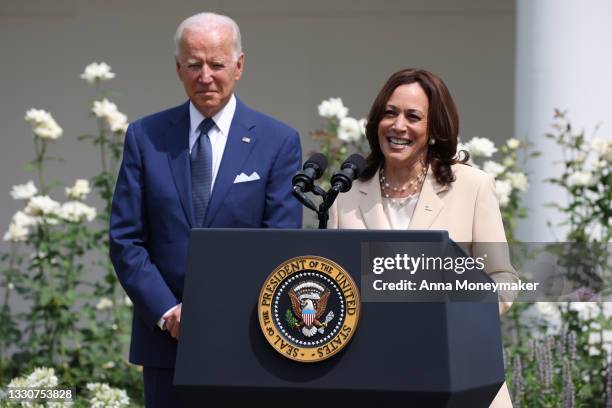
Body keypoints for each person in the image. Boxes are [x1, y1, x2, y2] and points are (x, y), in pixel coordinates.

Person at [109, 12, 302, 407]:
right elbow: (126, 239)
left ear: (239, 65)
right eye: (194, 64)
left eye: (217, 64)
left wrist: (222, 311)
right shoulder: (146, 137)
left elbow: (279, 242)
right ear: (178, 68)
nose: (206, 76)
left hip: (249, 339)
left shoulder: (277, 141)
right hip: (167, 342)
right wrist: (168, 311)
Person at [328, 68, 516, 407]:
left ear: (433, 130)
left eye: (413, 117)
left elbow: (502, 279)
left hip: (458, 377)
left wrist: (454, 309)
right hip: (371, 378)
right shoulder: (346, 193)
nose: (399, 126)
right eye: (390, 113)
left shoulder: (472, 187)